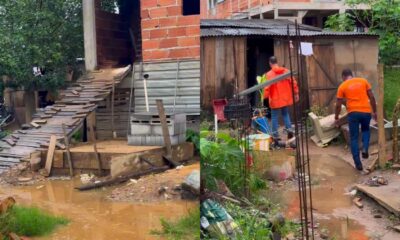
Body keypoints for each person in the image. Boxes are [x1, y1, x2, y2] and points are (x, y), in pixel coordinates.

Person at [335, 69, 377, 171]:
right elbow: (371, 97)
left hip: (353, 113)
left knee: (353, 138)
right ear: (352, 75)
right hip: (366, 112)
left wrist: (336, 117)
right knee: (366, 130)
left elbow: (338, 105)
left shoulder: (342, 86)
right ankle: (365, 148)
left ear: (343, 77)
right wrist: (374, 111)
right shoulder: (363, 81)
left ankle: (358, 164)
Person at [264, 56, 299, 141]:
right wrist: (296, 93)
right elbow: (294, 83)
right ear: (277, 62)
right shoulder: (286, 71)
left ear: (270, 63)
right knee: (285, 114)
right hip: (285, 99)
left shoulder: (268, 75)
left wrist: (264, 97)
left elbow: (267, 88)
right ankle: (290, 132)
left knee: (274, 117)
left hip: (275, 100)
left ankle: (276, 136)